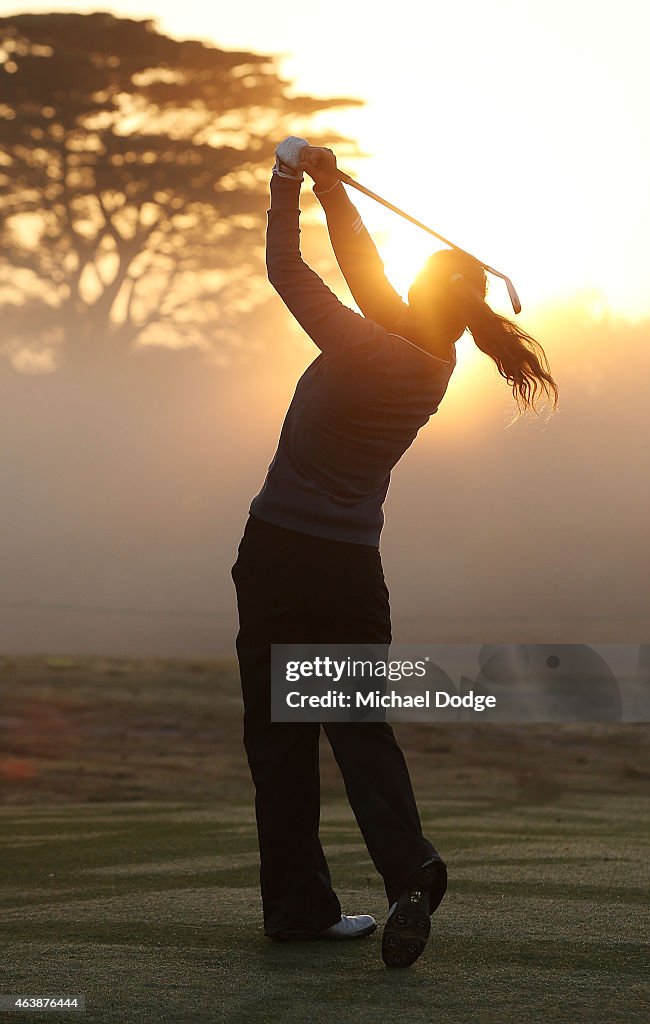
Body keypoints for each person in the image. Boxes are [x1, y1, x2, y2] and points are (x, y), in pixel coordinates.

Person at [230, 136, 558, 969]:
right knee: (356, 725)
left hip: (277, 555)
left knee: (278, 737)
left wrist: (281, 182)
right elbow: (365, 269)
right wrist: (331, 189)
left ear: (419, 293)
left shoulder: (370, 343)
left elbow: (287, 271)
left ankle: (299, 910)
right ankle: (410, 871)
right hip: (347, 570)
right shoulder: (432, 359)